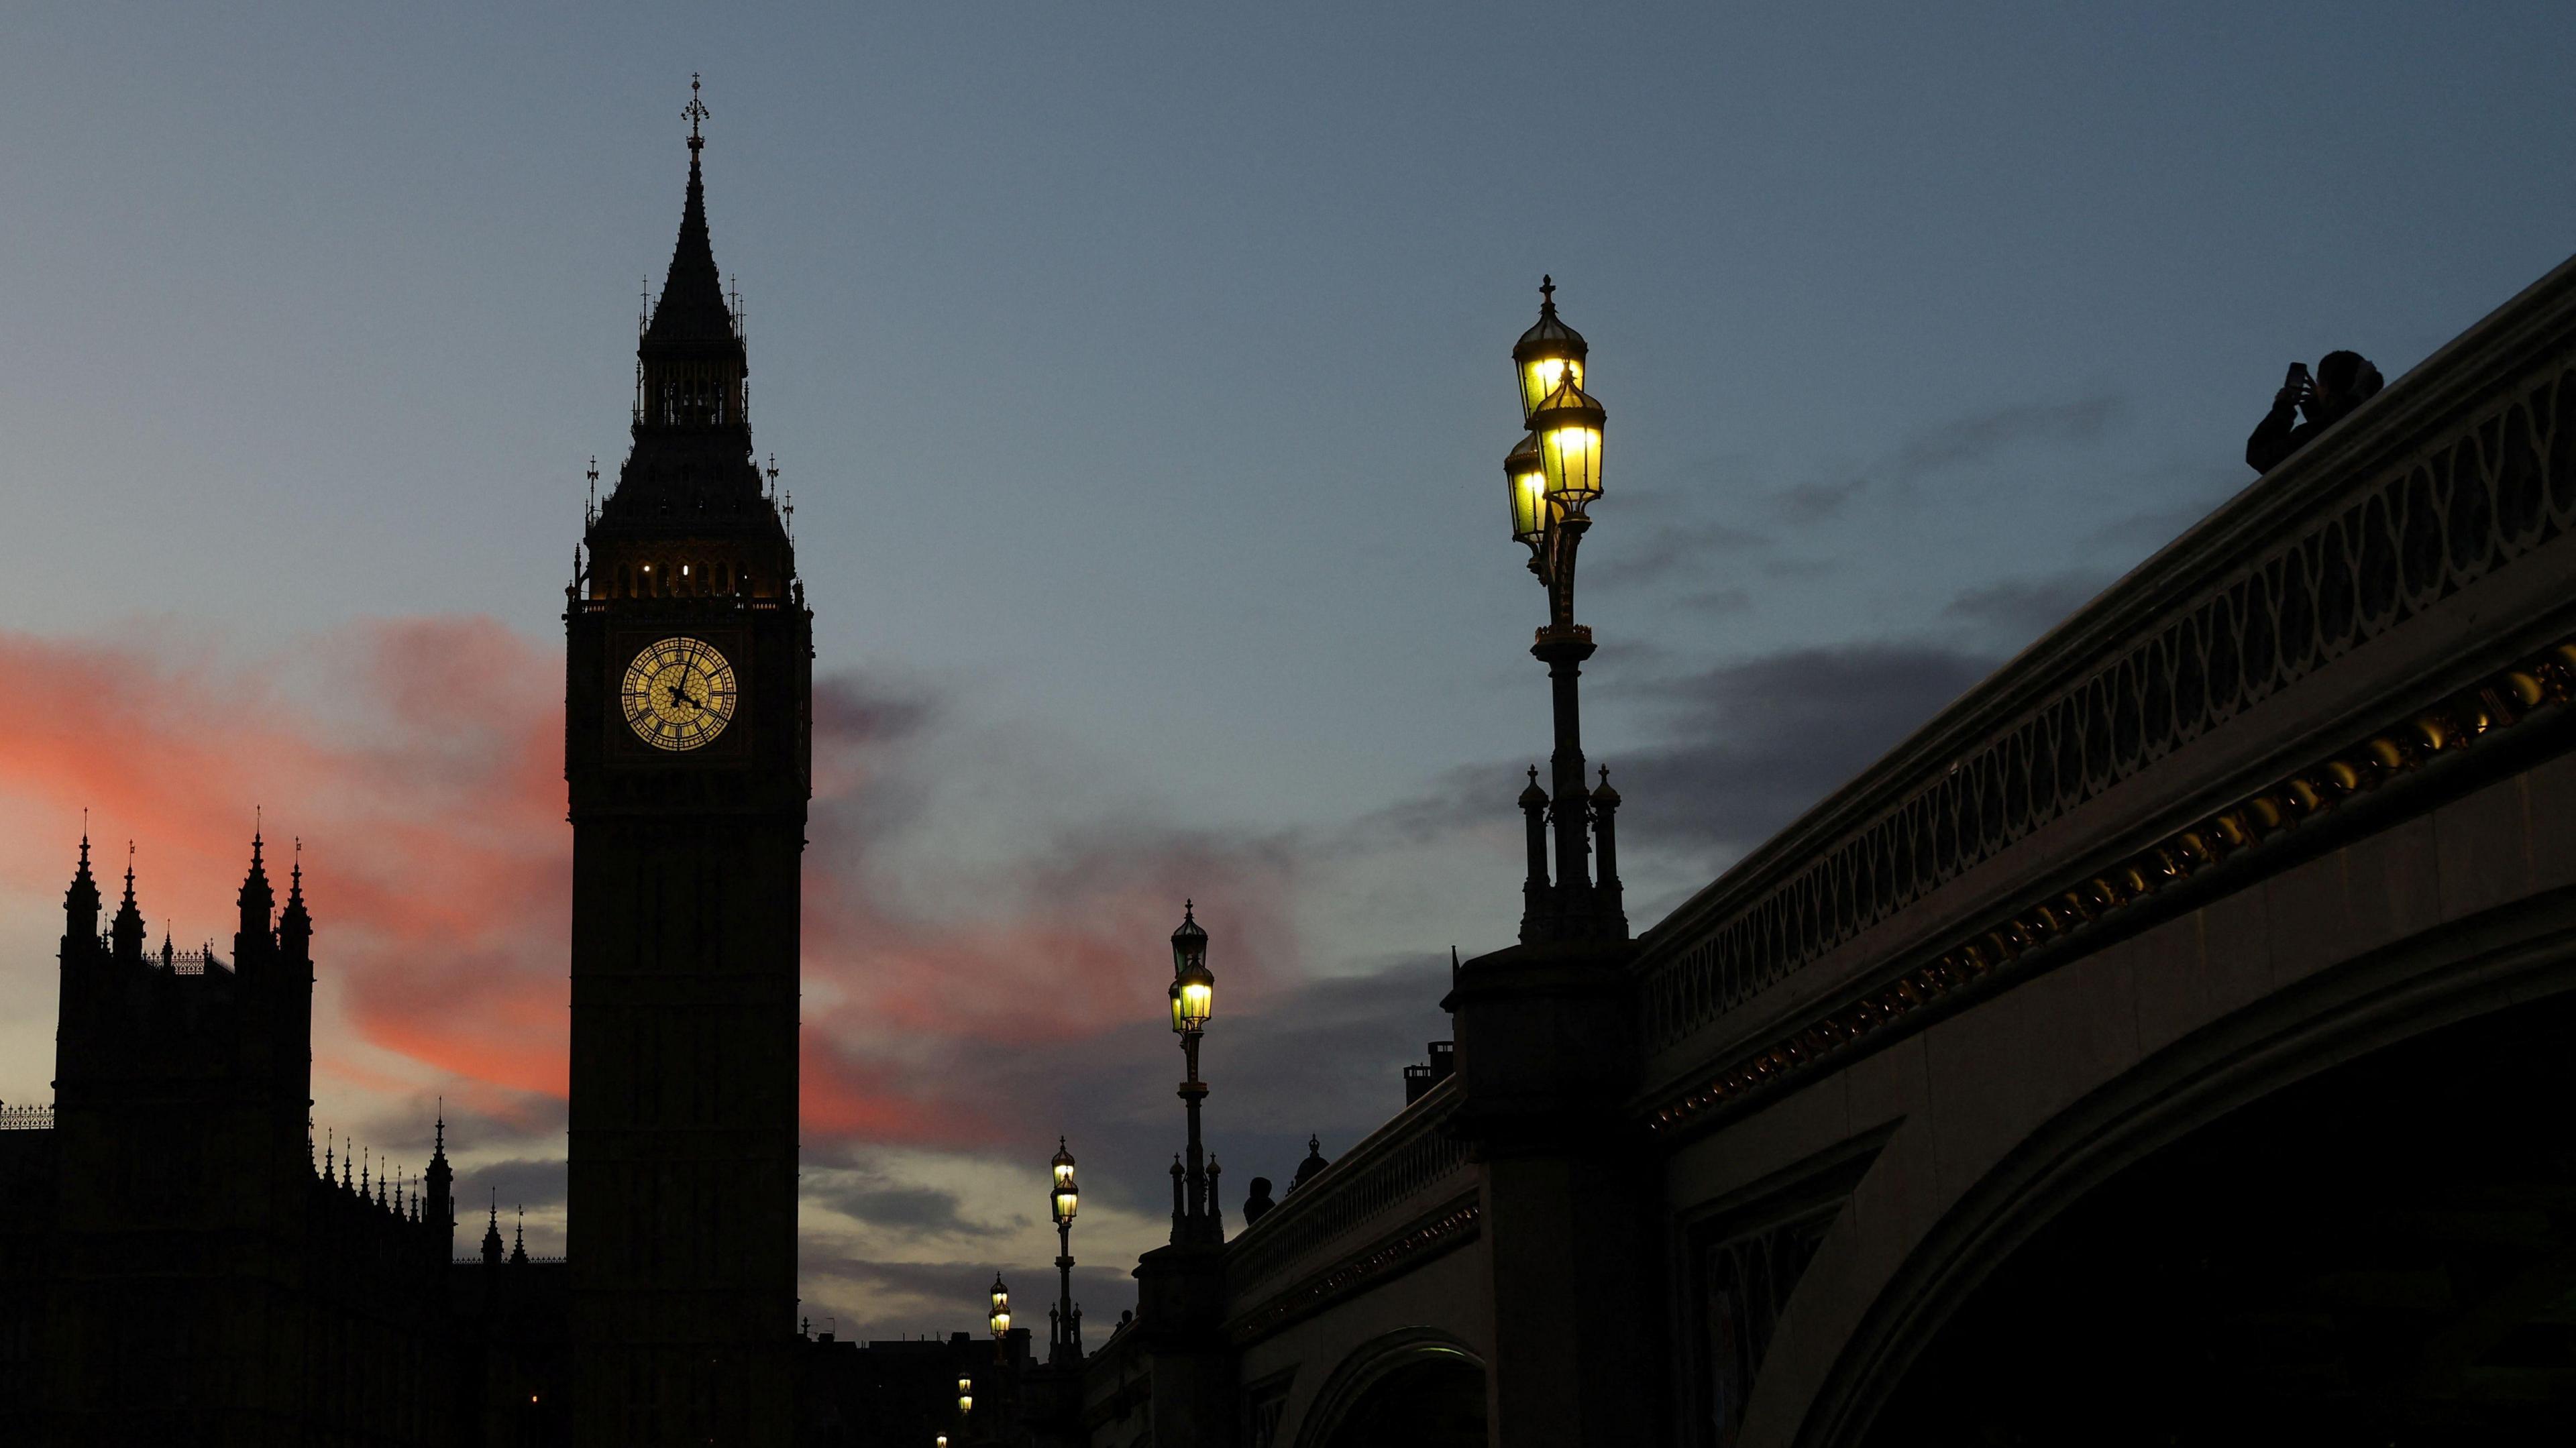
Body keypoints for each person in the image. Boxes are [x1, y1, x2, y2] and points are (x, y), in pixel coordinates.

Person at [2248, 349, 2385, 474]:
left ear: (2327, 389)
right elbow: (2329, 424)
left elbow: (2258, 454)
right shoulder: (2373, 418)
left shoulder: (2317, 431)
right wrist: (2318, 406)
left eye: (2320, 384)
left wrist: (2282, 408)